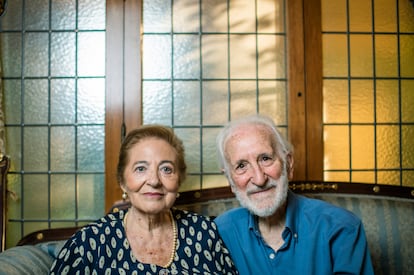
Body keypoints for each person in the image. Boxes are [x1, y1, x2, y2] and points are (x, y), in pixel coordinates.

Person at [50, 125, 238, 274]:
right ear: (122, 181)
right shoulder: (89, 243)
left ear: (179, 180)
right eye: (141, 169)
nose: (154, 181)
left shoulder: (205, 233)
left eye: (166, 169)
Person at [214, 114, 374, 275]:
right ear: (230, 180)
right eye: (241, 166)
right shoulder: (219, 233)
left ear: (288, 164)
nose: (259, 179)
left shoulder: (341, 228)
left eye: (265, 158)